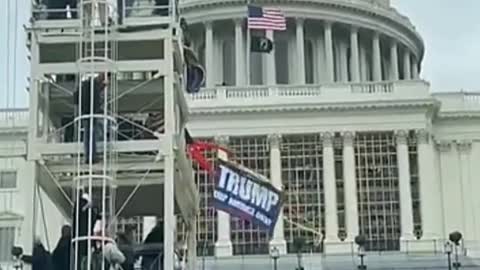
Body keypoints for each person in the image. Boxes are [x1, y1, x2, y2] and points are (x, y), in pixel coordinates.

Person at [74, 74, 106, 164]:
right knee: (91, 135)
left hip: (86, 113)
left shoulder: (85, 85)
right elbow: (95, 96)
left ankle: (89, 156)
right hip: (90, 113)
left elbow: (76, 97)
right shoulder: (91, 85)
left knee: (88, 135)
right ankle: (91, 156)